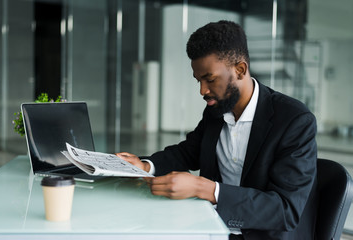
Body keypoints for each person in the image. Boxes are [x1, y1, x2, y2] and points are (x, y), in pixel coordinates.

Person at [117, 20, 317, 240]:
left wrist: (205, 189)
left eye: (209, 79)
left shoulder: (294, 120)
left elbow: (284, 210)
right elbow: (189, 152)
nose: (203, 90)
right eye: (198, 80)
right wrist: (146, 165)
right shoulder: (217, 109)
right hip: (212, 227)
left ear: (240, 70)